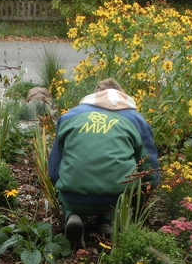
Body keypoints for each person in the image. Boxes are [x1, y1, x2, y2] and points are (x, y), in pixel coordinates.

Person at [48, 78, 160, 246]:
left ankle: (73, 215)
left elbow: (54, 169)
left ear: (95, 95)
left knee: (71, 193)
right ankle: (108, 221)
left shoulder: (69, 116)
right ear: (122, 95)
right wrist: (141, 198)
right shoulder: (136, 120)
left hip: (74, 198)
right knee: (114, 183)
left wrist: (64, 187)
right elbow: (149, 168)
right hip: (115, 200)